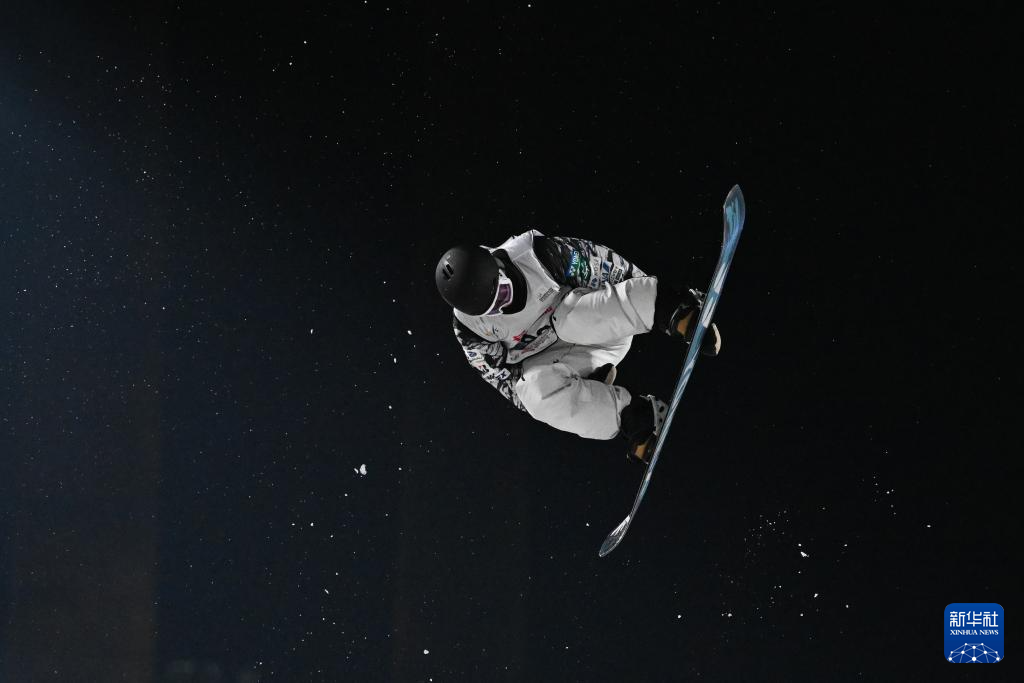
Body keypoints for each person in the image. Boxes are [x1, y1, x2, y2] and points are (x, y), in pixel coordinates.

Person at [435, 232, 720, 464]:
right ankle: (637, 417)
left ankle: (678, 310)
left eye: (503, 293)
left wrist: (665, 302)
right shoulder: (471, 331)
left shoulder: (538, 256)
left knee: (568, 319)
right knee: (531, 393)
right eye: (493, 309)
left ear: (500, 268)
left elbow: (610, 268)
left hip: (601, 327)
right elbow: (503, 379)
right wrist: (575, 386)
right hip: (569, 360)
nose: (503, 306)